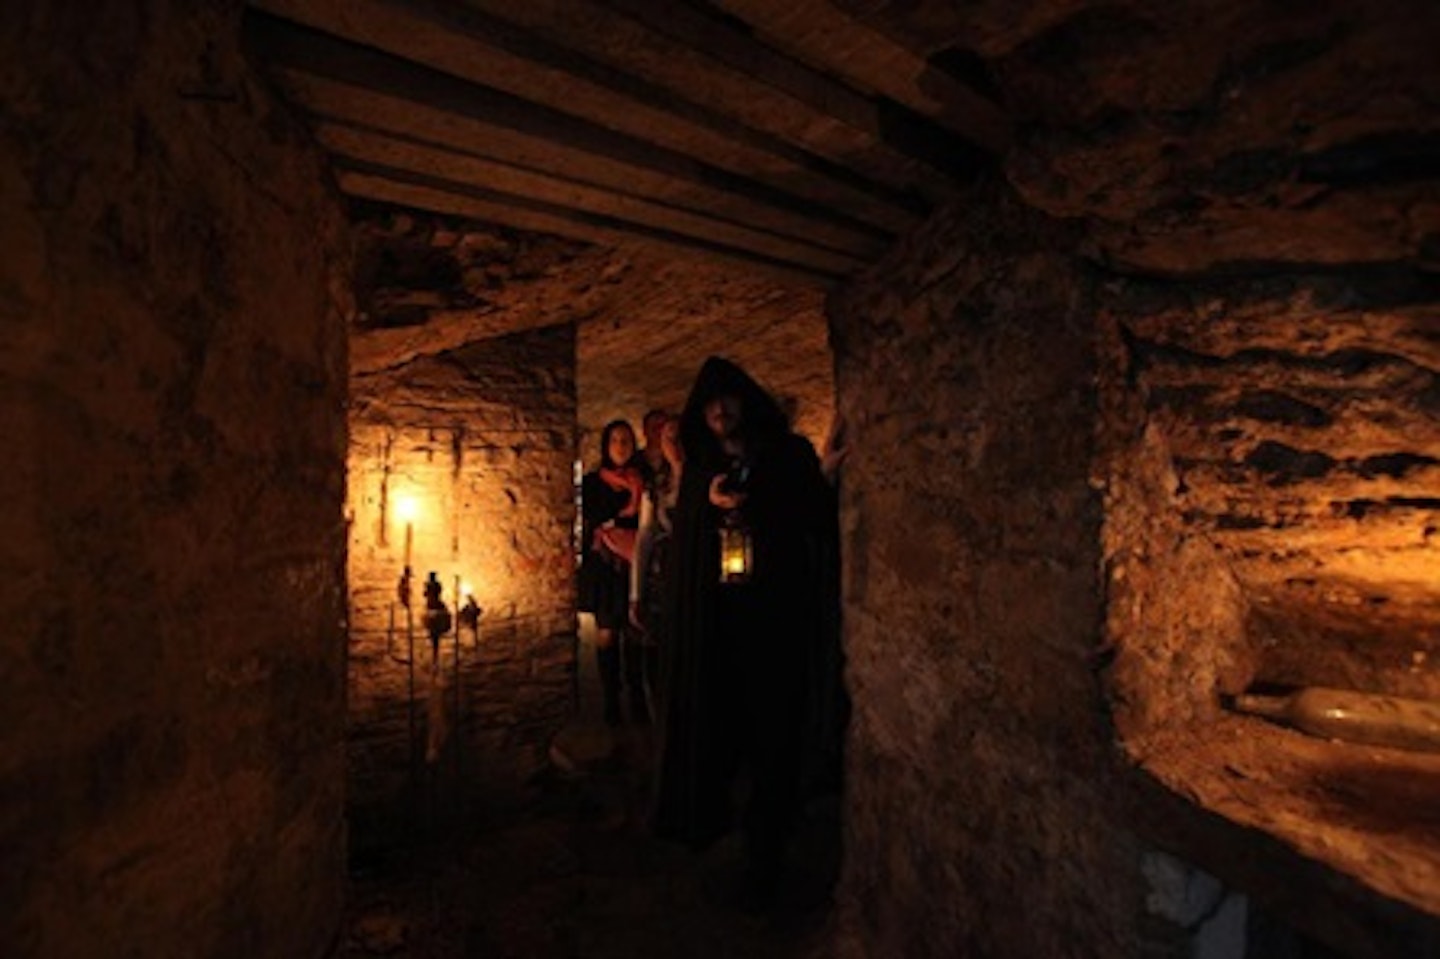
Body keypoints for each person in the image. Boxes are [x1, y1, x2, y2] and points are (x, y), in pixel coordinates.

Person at [651, 357, 844, 907]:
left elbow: (814, 514)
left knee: (775, 737)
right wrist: (707, 507)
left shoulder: (787, 455)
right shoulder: (702, 468)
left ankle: (768, 853)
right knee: (722, 733)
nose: (719, 411)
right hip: (720, 631)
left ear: (746, 401)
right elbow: (686, 535)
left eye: (727, 399)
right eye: (709, 403)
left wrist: (762, 502)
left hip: (776, 625)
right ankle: (721, 826)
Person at [577, 420, 647, 727]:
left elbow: (643, 523)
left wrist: (615, 521)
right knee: (607, 632)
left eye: (627, 440)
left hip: (634, 562)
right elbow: (595, 515)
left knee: (634, 630)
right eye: (616, 440)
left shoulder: (642, 479)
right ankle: (610, 700)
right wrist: (619, 515)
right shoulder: (594, 481)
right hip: (606, 566)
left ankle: (636, 695)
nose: (621, 445)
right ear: (606, 445)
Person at [629, 413, 684, 717]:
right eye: (667, 439)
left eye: (677, 438)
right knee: (657, 655)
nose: (673, 445)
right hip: (660, 579)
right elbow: (645, 536)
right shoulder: (656, 484)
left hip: (690, 576)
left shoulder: (704, 480)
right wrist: (635, 594)